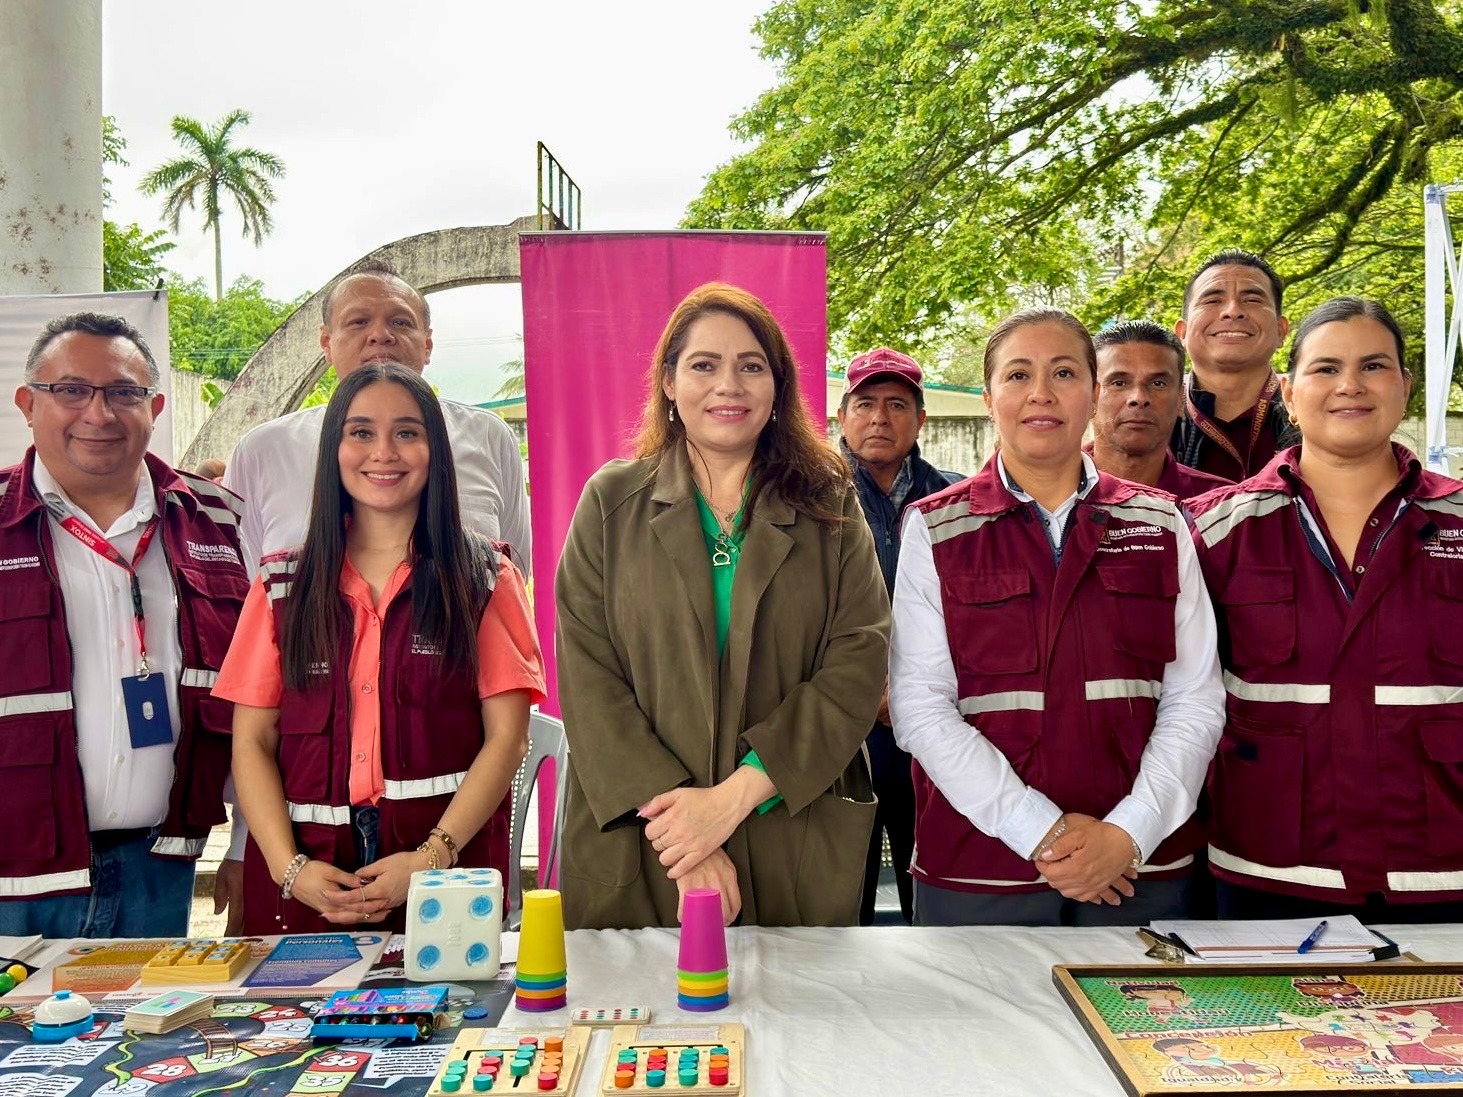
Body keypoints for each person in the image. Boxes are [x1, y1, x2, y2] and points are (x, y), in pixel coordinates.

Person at [556, 282, 890, 929]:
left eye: (750, 365)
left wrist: (732, 799)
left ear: (777, 386)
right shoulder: (611, 501)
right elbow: (588, 672)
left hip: (789, 823)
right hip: (648, 837)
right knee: (644, 1024)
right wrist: (689, 834)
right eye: (704, 364)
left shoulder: (828, 502)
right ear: (669, 384)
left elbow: (858, 656)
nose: (727, 384)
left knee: (803, 1023)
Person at [218, 259, 533, 926]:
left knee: (453, 1025)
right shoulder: (279, 586)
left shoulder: (485, 578)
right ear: (333, 448)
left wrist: (430, 856)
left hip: (444, 876)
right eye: (360, 433)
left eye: (407, 433)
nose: (382, 453)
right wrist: (287, 867)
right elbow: (251, 739)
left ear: (435, 450)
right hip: (308, 878)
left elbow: (506, 736)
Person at [889, 307, 1224, 926]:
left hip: (1138, 870)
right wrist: (1036, 829)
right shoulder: (935, 526)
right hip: (980, 868)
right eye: (1018, 375)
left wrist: (1129, 833)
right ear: (988, 396)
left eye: (1064, 372)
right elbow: (919, 705)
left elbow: (1196, 699)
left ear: (1094, 394)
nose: (1040, 393)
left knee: (1156, 1024)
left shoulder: (1161, 521)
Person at [1188, 296, 1463, 922]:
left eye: (1373, 366)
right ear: (1287, 391)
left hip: (1443, 870)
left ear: (1405, 387)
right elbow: (1183, 700)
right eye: (1326, 368)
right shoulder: (1216, 531)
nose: (1349, 386)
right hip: (1271, 871)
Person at [0, 312, 246, 937]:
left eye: (123, 393)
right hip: (14, 880)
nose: (98, 413)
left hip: (158, 870)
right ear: (28, 404)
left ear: (155, 406)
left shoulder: (219, 520)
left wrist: (247, 847)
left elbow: (260, 702)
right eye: (71, 390)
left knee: (143, 1037)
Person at [836, 347, 961, 925]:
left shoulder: (956, 501)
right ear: (843, 417)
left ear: (920, 420)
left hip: (932, 726)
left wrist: (909, 692)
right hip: (839, 731)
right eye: (865, 404)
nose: (880, 418)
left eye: (896, 405)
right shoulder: (807, 498)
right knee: (841, 890)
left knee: (931, 883)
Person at [1173, 250, 1297, 480]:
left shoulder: (1313, 414)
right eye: (1212, 300)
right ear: (1183, 332)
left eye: (1252, 300)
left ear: (1281, 330)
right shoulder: (1152, 415)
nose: (1233, 311)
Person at [1090, 321, 1231, 500]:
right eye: (1119, 383)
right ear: (1090, 396)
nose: (1139, 398)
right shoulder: (1048, 498)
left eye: (1158, 384)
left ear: (1181, 398)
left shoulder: (1223, 505)